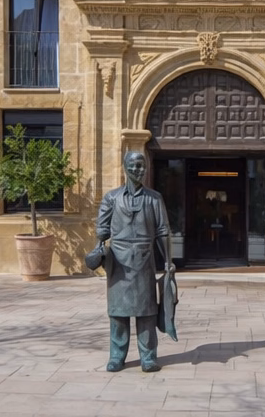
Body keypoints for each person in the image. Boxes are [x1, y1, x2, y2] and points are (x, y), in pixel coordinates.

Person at [94, 151, 173, 372]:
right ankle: (117, 356)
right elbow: (101, 227)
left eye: (142, 165)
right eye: (134, 165)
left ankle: (148, 357)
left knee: (147, 311)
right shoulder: (112, 197)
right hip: (118, 263)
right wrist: (100, 244)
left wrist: (168, 261)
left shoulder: (154, 198)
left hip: (145, 260)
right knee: (118, 312)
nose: (138, 169)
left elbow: (163, 230)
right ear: (124, 166)